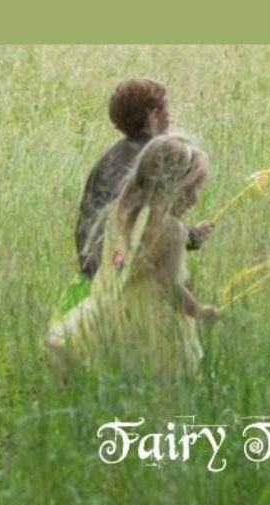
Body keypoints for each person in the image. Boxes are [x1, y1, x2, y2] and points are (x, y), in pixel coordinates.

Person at [48, 134, 221, 373]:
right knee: (157, 376)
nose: (195, 199)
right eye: (190, 190)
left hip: (114, 307)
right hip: (151, 320)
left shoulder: (123, 212)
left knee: (114, 370)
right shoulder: (171, 231)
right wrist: (198, 311)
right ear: (168, 187)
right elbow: (169, 285)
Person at [74, 78, 214, 278]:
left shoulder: (109, 157)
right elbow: (150, 221)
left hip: (94, 268)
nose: (170, 116)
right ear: (153, 113)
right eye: (166, 108)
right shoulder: (153, 158)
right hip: (124, 271)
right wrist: (190, 236)